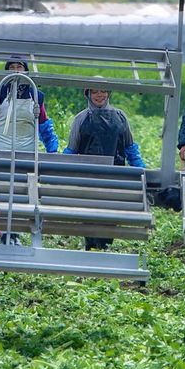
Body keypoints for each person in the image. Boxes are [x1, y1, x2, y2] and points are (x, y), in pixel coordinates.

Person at [63, 81, 146, 250]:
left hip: (115, 176)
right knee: (89, 213)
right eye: (95, 92)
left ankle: (105, 246)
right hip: (88, 177)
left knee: (110, 213)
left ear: (109, 93)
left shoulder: (120, 116)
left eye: (103, 91)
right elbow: (72, 149)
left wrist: (140, 169)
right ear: (88, 94)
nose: (99, 95)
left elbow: (130, 147)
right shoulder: (81, 119)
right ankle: (90, 246)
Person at [0, 56, 60, 153]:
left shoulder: (35, 96)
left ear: (26, 71)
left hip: (28, 155)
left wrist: (52, 151)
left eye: (19, 67)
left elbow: (44, 128)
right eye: (12, 67)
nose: (16, 71)